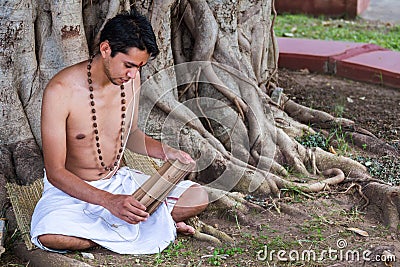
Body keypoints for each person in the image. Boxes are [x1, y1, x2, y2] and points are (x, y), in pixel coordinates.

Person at [30, 9, 209, 254]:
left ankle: (117, 228)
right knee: (51, 236)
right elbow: (55, 172)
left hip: (119, 184)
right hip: (73, 193)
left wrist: (167, 152)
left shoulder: (130, 80)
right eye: (128, 65)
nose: (133, 74)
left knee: (198, 197)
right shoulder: (60, 91)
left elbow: (130, 134)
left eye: (139, 67)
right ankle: (140, 227)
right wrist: (108, 202)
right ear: (105, 49)